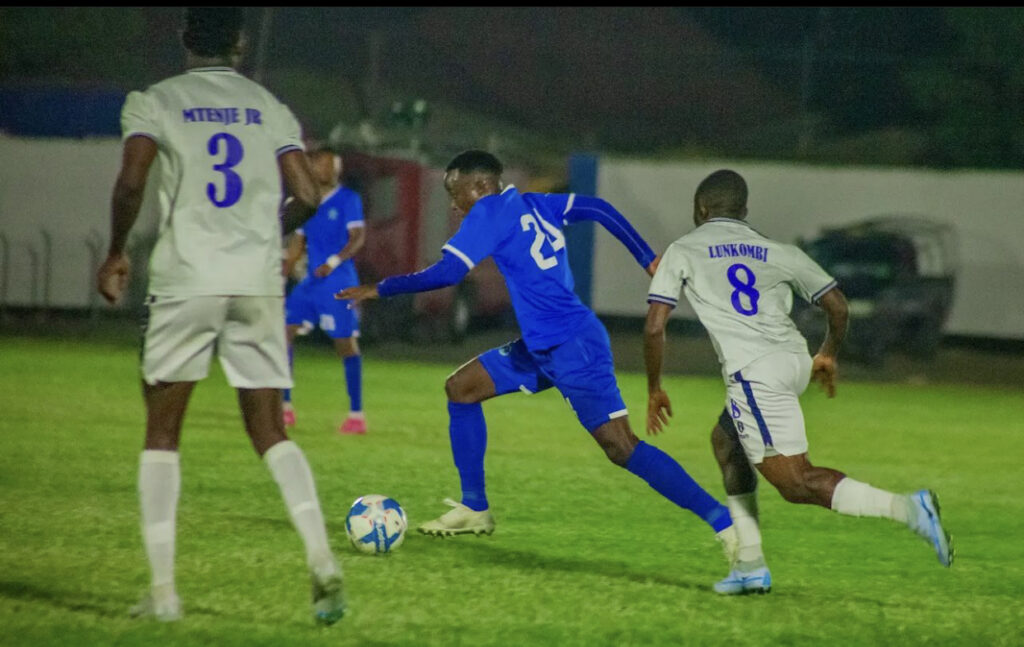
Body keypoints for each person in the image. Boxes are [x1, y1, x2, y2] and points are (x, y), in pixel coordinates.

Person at [338, 150, 739, 569]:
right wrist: (645, 257)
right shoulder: (533, 203)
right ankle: (474, 508)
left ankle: (724, 521)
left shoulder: (488, 212)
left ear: (480, 186)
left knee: (621, 447)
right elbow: (597, 207)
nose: (454, 206)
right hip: (541, 346)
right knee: (461, 388)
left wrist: (379, 289)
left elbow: (447, 274)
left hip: (572, 347)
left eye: (455, 193)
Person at [95, 8, 345, 625]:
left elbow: (131, 183)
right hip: (255, 283)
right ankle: (320, 557)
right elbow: (308, 194)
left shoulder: (156, 101)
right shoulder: (269, 107)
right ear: (240, 43)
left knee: (162, 433)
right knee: (270, 429)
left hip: (188, 279)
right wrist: (266, 234)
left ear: (185, 38)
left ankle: (163, 594)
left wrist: (117, 250)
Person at [642, 169, 953, 595]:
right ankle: (750, 565)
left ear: (700, 208)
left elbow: (654, 328)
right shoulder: (778, 250)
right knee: (726, 442)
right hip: (793, 360)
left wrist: (654, 389)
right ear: (744, 210)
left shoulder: (684, 250)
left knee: (795, 482)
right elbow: (837, 306)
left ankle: (909, 509)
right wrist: (827, 354)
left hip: (755, 373)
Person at [282, 148, 367, 434]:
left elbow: (358, 237)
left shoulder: (348, 200)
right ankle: (285, 407)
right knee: (283, 334)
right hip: (310, 283)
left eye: (334, 166)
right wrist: (282, 274)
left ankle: (356, 414)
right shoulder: (306, 201)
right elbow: (297, 243)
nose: (329, 170)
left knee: (345, 345)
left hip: (338, 282)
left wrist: (333, 262)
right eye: (323, 165)